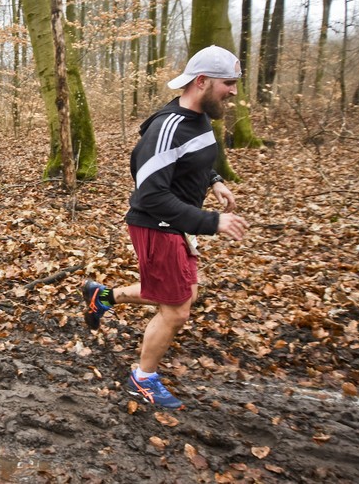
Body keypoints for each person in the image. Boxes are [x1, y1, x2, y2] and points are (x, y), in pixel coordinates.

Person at [82, 45, 249, 410]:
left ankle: (103, 297)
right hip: (158, 223)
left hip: (178, 222)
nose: (233, 91)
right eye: (228, 83)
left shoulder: (200, 118)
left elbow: (193, 161)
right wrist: (211, 222)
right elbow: (151, 195)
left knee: (180, 293)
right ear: (202, 81)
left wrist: (215, 180)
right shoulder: (166, 128)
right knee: (176, 309)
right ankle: (142, 379)